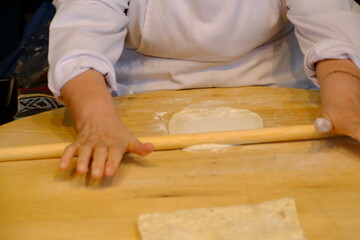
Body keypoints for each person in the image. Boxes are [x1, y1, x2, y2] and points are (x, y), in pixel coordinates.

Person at [48, 0, 360, 179]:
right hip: (139, 99)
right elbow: (81, 37)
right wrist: (97, 121)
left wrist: (345, 99)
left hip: (277, 87)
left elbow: (329, 21)